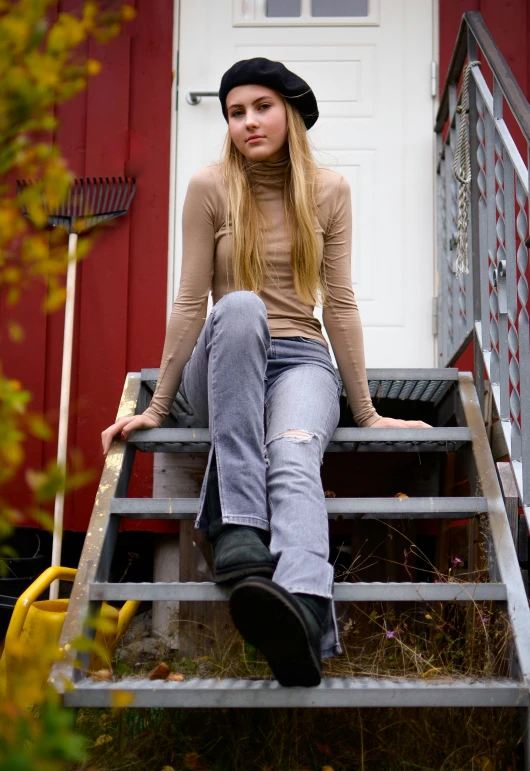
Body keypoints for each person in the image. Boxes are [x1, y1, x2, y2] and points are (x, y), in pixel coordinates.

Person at [101, 57, 430, 688]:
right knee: (242, 305)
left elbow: (339, 302)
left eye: (261, 107)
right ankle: (241, 531)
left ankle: (302, 612)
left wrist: (365, 411)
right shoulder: (209, 187)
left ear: (291, 112)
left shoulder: (330, 191)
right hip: (224, 354)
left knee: (296, 450)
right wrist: (160, 406)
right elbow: (191, 300)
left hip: (301, 359)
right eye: (234, 112)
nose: (248, 122)